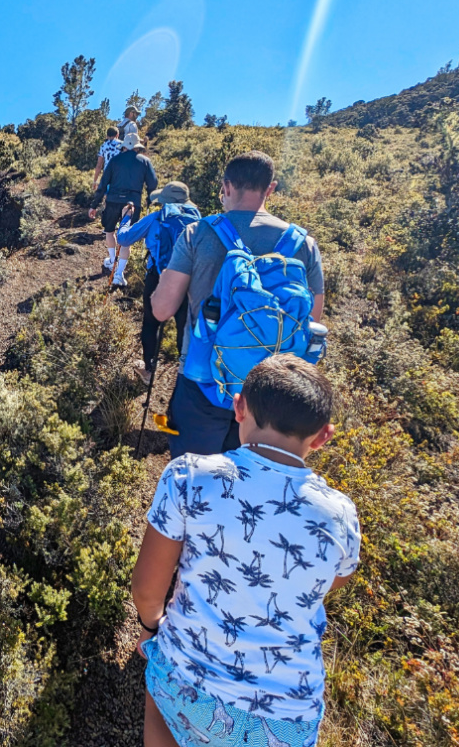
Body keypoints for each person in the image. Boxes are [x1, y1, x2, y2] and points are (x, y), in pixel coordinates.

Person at [131, 355, 360, 747]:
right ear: (323, 436)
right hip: (285, 720)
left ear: (238, 408)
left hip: (188, 685)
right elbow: (333, 581)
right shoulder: (340, 514)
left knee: (162, 683)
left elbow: (147, 589)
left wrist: (154, 627)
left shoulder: (188, 477)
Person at [151, 151, 323, 458]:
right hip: (270, 394)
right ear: (270, 189)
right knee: (246, 481)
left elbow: (161, 310)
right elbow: (310, 320)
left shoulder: (197, 233)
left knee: (194, 474)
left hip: (203, 382)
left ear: (227, 187)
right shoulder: (304, 245)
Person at [114, 181, 200, 385]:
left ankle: (149, 369)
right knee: (184, 326)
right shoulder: (199, 221)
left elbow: (123, 239)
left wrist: (126, 217)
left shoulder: (155, 218)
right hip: (188, 279)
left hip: (158, 277)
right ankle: (185, 372)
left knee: (151, 324)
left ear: (165, 201)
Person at [88, 134, 158, 286]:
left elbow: (103, 184)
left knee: (109, 231)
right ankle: (119, 274)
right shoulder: (145, 161)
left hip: (113, 201)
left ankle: (112, 260)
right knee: (127, 238)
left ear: (125, 146)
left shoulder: (114, 160)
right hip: (133, 203)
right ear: (138, 146)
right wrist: (149, 200)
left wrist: (94, 205)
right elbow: (153, 183)